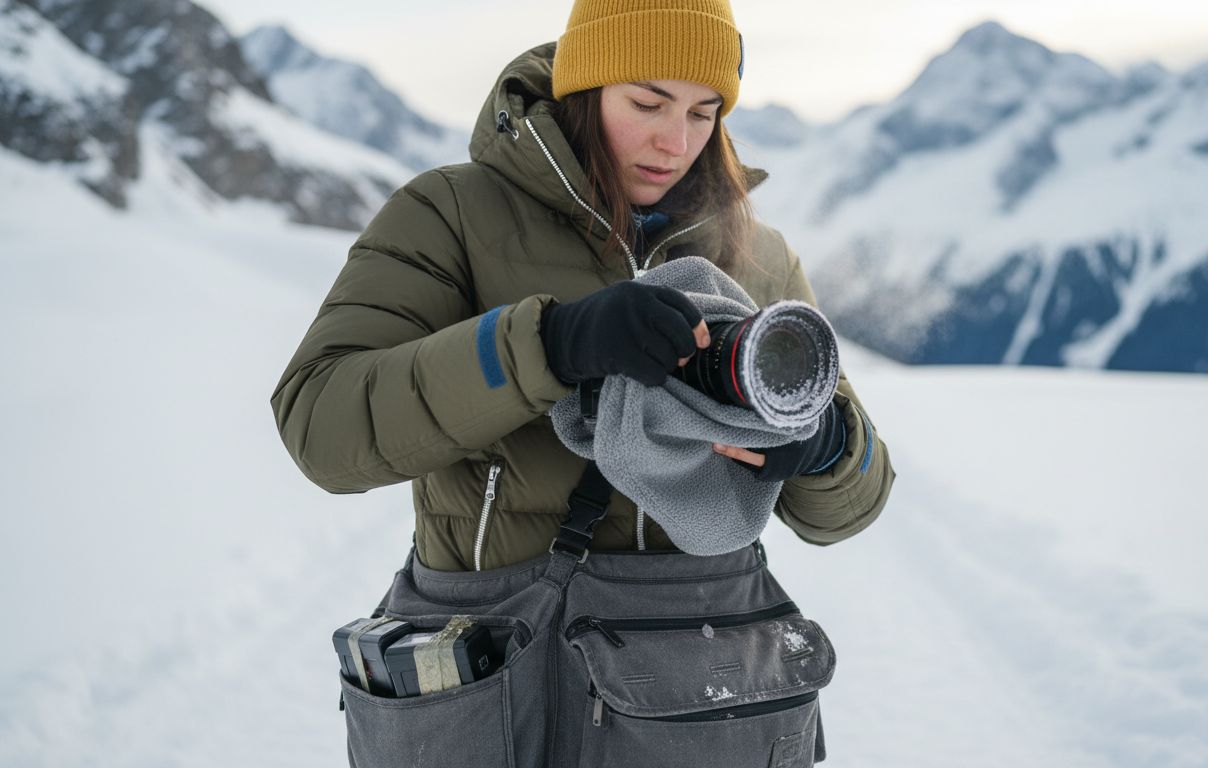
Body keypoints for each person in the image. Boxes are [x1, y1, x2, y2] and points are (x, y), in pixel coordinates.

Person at [270, 0, 894, 573]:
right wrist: (549, 346)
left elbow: (851, 510)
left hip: (703, 662)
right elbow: (321, 428)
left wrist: (827, 445)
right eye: (648, 105)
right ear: (585, 90)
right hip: (517, 653)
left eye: (704, 113)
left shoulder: (758, 255)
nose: (675, 143)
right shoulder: (451, 213)